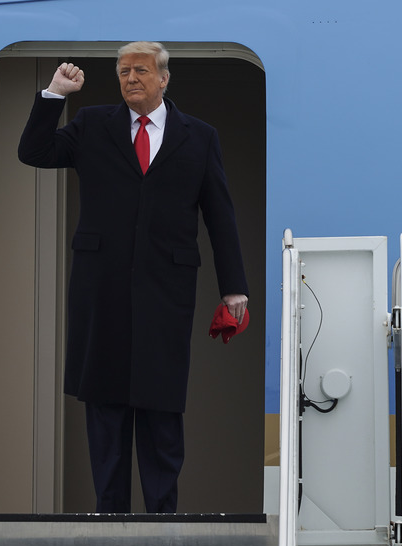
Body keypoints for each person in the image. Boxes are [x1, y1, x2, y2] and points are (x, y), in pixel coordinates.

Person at [18, 41, 249, 514]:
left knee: (161, 405)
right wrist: (55, 95)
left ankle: (164, 519)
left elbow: (220, 216)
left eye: (141, 71)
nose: (130, 79)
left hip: (167, 291)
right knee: (105, 405)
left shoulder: (199, 136)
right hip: (100, 288)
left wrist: (234, 288)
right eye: (123, 72)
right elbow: (34, 151)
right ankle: (110, 518)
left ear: (164, 79)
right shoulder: (92, 124)